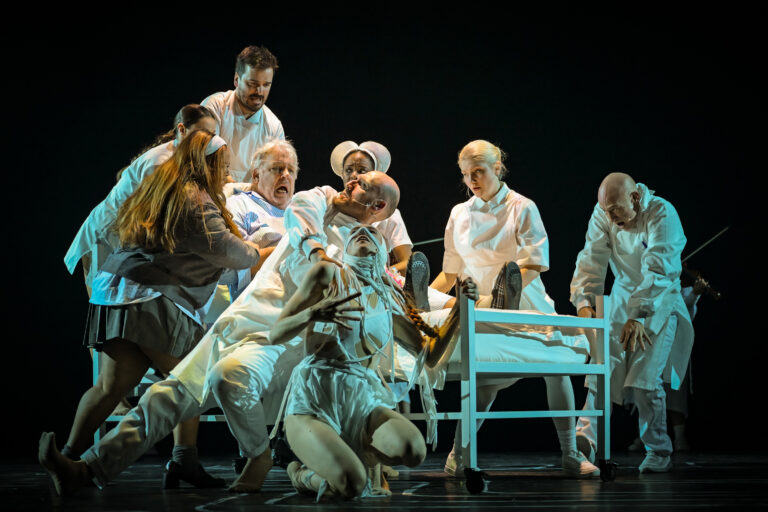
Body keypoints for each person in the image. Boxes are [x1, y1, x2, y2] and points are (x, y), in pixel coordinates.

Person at [37, 171, 402, 496]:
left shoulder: (364, 246)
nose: (350, 181)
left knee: (231, 377)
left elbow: (381, 297)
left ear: (378, 206)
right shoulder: (319, 201)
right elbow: (302, 212)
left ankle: (259, 455)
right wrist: (318, 252)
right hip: (240, 323)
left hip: (284, 340)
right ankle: (85, 470)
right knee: (169, 393)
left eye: (362, 184)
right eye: (353, 177)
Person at [39, 131, 263, 496]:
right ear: (205, 165)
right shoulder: (195, 201)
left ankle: (66, 459)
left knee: (110, 387)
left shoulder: (166, 186)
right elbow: (230, 252)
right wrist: (259, 250)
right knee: (191, 380)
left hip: (117, 290)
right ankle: (180, 457)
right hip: (151, 298)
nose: (226, 173)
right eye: (222, 166)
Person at [429, 140, 599, 478]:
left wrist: (502, 293)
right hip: (479, 306)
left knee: (556, 368)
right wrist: (423, 298)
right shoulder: (459, 213)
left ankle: (569, 453)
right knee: (484, 382)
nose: (471, 180)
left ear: (497, 168)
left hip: (522, 302)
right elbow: (450, 272)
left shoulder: (522, 207)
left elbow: (532, 264)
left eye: (478, 172)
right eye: (466, 174)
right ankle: (458, 455)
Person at [270, 225, 478, 499]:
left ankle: (360, 462)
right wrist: (313, 312)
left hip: (362, 401)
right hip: (314, 403)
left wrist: (459, 310)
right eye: (355, 231)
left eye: (372, 231)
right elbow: (276, 334)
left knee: (414, 449)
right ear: (345, 249)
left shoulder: (389, 296)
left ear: (383, 251)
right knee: (352, 485)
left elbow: (429, 355)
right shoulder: (328, 274)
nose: (362, 231)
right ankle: (299, 473)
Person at [571, 172, 694, 473]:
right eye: (607, 211)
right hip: (622, 296)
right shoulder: (604, 213)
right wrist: (584, 303)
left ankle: (658, 449)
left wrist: (638, 314)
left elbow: (659, 268)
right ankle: (585, 438)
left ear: (635, 198)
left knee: (644, 378)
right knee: (602, 368)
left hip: (659, 299)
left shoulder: (662, 213)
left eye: (616, 210)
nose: (612, 218)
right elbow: (592, 257)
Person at [64, 104, 217, 295]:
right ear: (182, 129)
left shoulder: (183, 156)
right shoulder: (159, 163)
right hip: (108, 231)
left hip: (127, 232)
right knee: (103, 297)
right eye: (203, 133)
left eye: (212, 135)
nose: (208, 140)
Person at [202, 46, 284, 183]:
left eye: (266, 85)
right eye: (252, 83)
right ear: (236, 79)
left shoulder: (274, 127)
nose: (259, 91)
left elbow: (273, 178)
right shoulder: (214, 107)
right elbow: (205, 163)